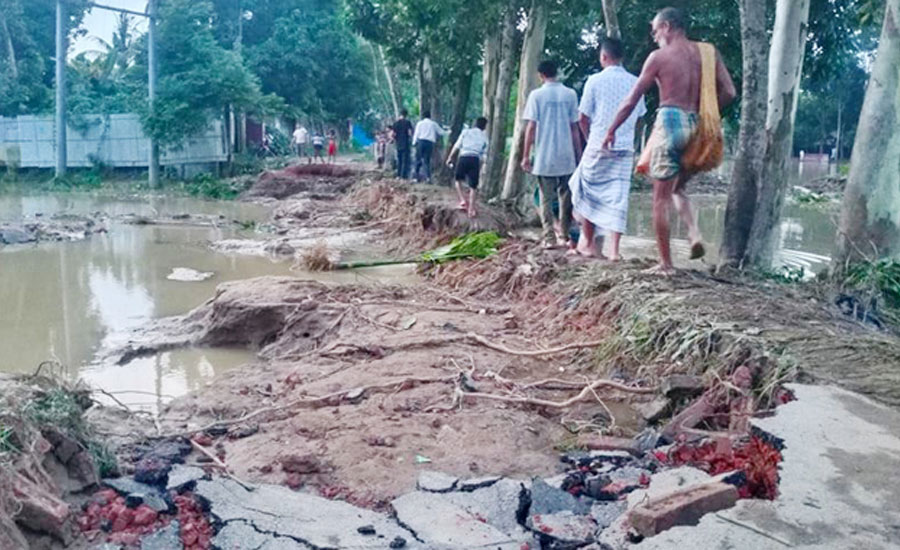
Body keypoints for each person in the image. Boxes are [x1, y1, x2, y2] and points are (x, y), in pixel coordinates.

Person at [603, 7, 735, 275]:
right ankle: (694, 232)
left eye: (655, 30)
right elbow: (730, 92)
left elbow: (632, 98)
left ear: (667, 26)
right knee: (677, 189)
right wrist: (705, 112)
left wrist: (611, 129)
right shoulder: (708, 53)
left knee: (659, 199)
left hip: (670, 121)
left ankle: (665, 265)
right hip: (699, 125)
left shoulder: (659, 57)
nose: (654, 36)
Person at [568, 38, 646, 260]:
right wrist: (631, 138)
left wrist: (588, 138)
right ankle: (614, 250)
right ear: (622, 57)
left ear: (604, 56)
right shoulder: (635, 81)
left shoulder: (594, 81)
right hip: (624, 148)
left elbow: (583, 117)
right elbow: (640, 117)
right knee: (618, 198)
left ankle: (591, 244)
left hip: (597, 145)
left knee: (589, 193)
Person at [521, 59, 581, 249]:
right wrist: (578, 153)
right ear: (557, 73)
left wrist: (525, 155)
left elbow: (531, 127)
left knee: (545, 199)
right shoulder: (570, 94)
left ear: (541, 76)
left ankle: (549, 239)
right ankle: (564, 236)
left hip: (545, 156)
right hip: (566, 155)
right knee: (566, 197)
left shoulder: (536, 95)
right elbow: (574, 127)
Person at [446, 117, 489, 218]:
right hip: (475, 159)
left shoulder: (466, 132)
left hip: (464, 157)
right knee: (473, 186)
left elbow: (456, 146)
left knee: (457, 180)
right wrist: (482, 165)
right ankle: (471, 210)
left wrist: (450, 158)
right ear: (484, 127)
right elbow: (484, 154)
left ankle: (462, 200)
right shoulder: (484, 136)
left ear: (475, 123)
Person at [413, 110, 446, 183]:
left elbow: (416, 133)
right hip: (429, 143)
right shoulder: (433, 124)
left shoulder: (420, 123)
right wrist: (449, 132)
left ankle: (415, 177)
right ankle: (428, 177)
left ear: (423, 116)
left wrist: (414, 142)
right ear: (430, 116)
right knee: (426, 160)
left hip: (421, 142)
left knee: (418, 160)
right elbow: (441, 132)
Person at [392, 109, 414, 179]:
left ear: (400, 114)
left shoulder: (396, 123)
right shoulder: (407, 123)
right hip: (406, 143)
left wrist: (395, 139)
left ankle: (398, 175)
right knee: (405, 160)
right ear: (406, 115)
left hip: (398, 144)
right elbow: (409, 133)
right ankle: (404, 176)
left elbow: (393, 134)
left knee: (399, 160)